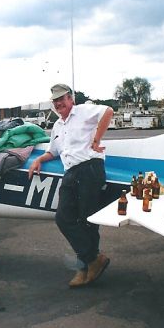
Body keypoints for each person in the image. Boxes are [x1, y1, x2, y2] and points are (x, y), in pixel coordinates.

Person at [28, 84, 114, 288]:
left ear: (71, 99)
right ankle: (94, 260)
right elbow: (54, 151)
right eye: (56, 101)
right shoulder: (57, 126)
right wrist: (39, 159)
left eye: (62, 99)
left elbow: (108, 111)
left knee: (87, 220)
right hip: (71, 172)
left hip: (90, 168)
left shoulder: (83, 111)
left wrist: (96, 140)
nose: (59, 104)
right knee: (64, 218)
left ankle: (86, 267)